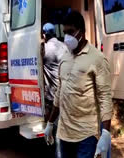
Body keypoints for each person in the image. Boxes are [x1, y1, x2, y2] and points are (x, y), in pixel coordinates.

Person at [44, 11, 112, 158]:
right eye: (65, 32)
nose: (67, 36)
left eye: (70, 32)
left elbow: (105, 97)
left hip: (86, 135)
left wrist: (106, 132)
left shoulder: (97, 59)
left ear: (81, 31)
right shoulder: (65, 57)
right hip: (64, 133)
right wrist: (50, 123)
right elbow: (59, 92)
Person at [42, 23, 69, 158]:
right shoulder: (64, 46)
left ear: (44, 35)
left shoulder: (46, 49)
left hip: (53, 97)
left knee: (55, 132)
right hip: (67, 94)